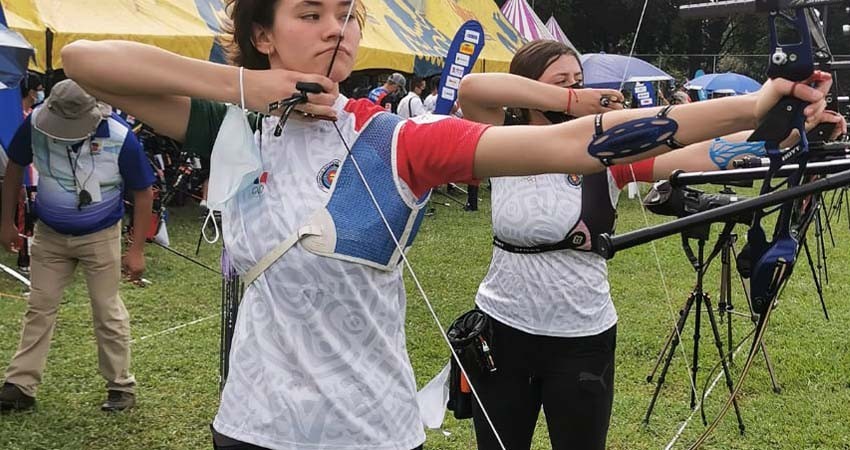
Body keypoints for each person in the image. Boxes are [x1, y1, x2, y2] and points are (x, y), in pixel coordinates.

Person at [60, 0, 832, 447]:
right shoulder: (226, 127)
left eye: (347, 13)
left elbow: (575, 144)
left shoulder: (398, 137)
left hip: (370, 430)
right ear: (264, 33)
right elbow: (89, 60)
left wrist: (751, 110)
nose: (338, 29)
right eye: (310, 12)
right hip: (254, 427)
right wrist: (244, 85)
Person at [456, 39, 846, 450]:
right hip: (501, 330)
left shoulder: (607, 151)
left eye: (578, 79)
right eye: (561, 81)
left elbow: (703, 153)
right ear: (531, 88)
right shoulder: (499, 142)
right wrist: (573, 101)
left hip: (581, 336)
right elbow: (473, 91)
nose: (575, 87)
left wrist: (783, 132)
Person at [0, 80, 155, 413]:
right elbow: (14, 168)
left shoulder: (119, 136)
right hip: (50, 234)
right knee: (39, 306)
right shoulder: (36, 123)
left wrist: (136, 249)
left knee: (106, 309)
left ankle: (120, 386)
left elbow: (144, 193)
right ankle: (20, 385)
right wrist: (6, 222)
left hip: (100, 236)